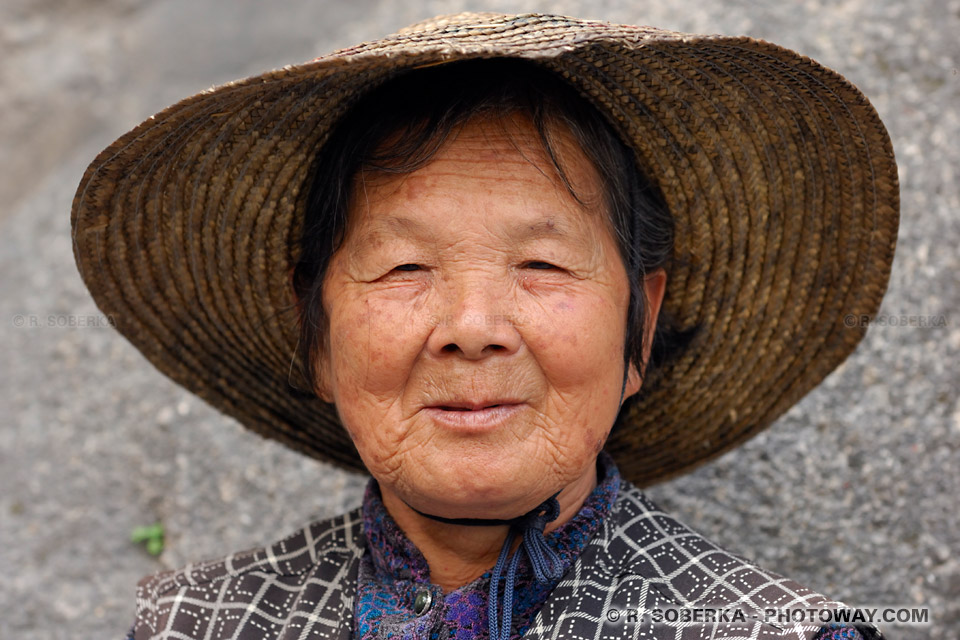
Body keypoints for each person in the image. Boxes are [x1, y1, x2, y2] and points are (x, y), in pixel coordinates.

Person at [71, 12, 898, 640]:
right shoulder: (197, 622)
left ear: (639, 326)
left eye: (541, 265)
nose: (472, 328)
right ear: (314, 330)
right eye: (404, 268)